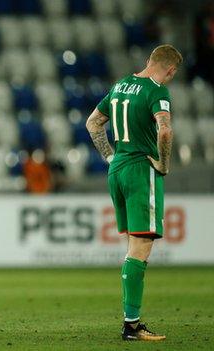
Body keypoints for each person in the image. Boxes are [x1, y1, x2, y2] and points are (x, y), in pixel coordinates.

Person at [86, 44, 182, 341]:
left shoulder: (120, 85)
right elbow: (164, 131)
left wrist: (109, 157)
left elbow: (93, 123)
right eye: (172, 75)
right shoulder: (157, 91)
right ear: (169, 70)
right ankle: (131, 325)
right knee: (141, 247)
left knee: (133, 245)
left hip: (118, 169)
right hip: (142, 169)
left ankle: (131, 321)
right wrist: (164, 164)